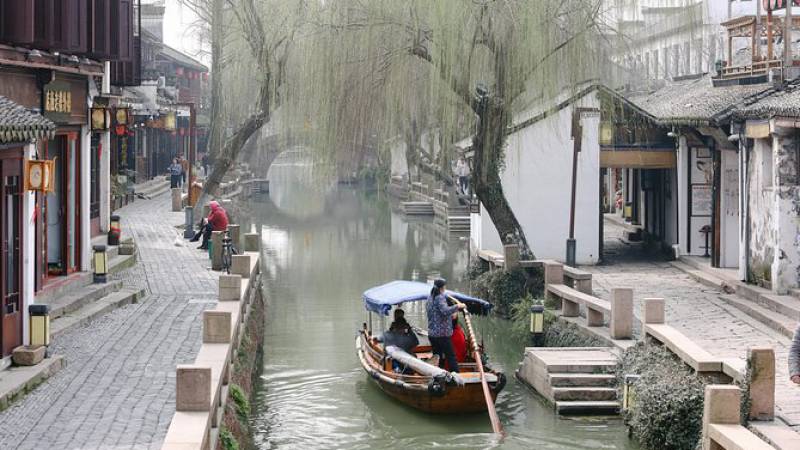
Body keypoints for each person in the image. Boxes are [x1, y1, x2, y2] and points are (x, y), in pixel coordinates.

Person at [426, 278, 466, 373]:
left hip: (432, 334)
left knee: (437, 356)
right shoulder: (440, 297)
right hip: (442, 334)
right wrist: (458, 306)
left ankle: (438, 374)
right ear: (442, 288)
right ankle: (456, 376)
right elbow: (445, 311)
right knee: (451, 356)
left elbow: (438, 312)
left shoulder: (430, 297)